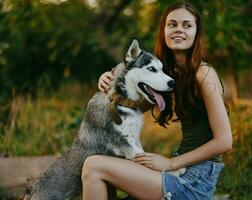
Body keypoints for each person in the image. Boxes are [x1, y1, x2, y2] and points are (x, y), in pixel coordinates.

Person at [81, 2, 232, 200]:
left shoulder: (203, 74)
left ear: (196, 33)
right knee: (106, 159)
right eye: (172, 24)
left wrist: (170, 164)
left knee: (94, 166)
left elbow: (224, 141)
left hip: (194, 182)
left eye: (187, 25)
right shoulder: (170, 75)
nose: (179, 30)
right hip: (179, 170)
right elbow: (128, 108)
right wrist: (108, 84)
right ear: (164, 31)